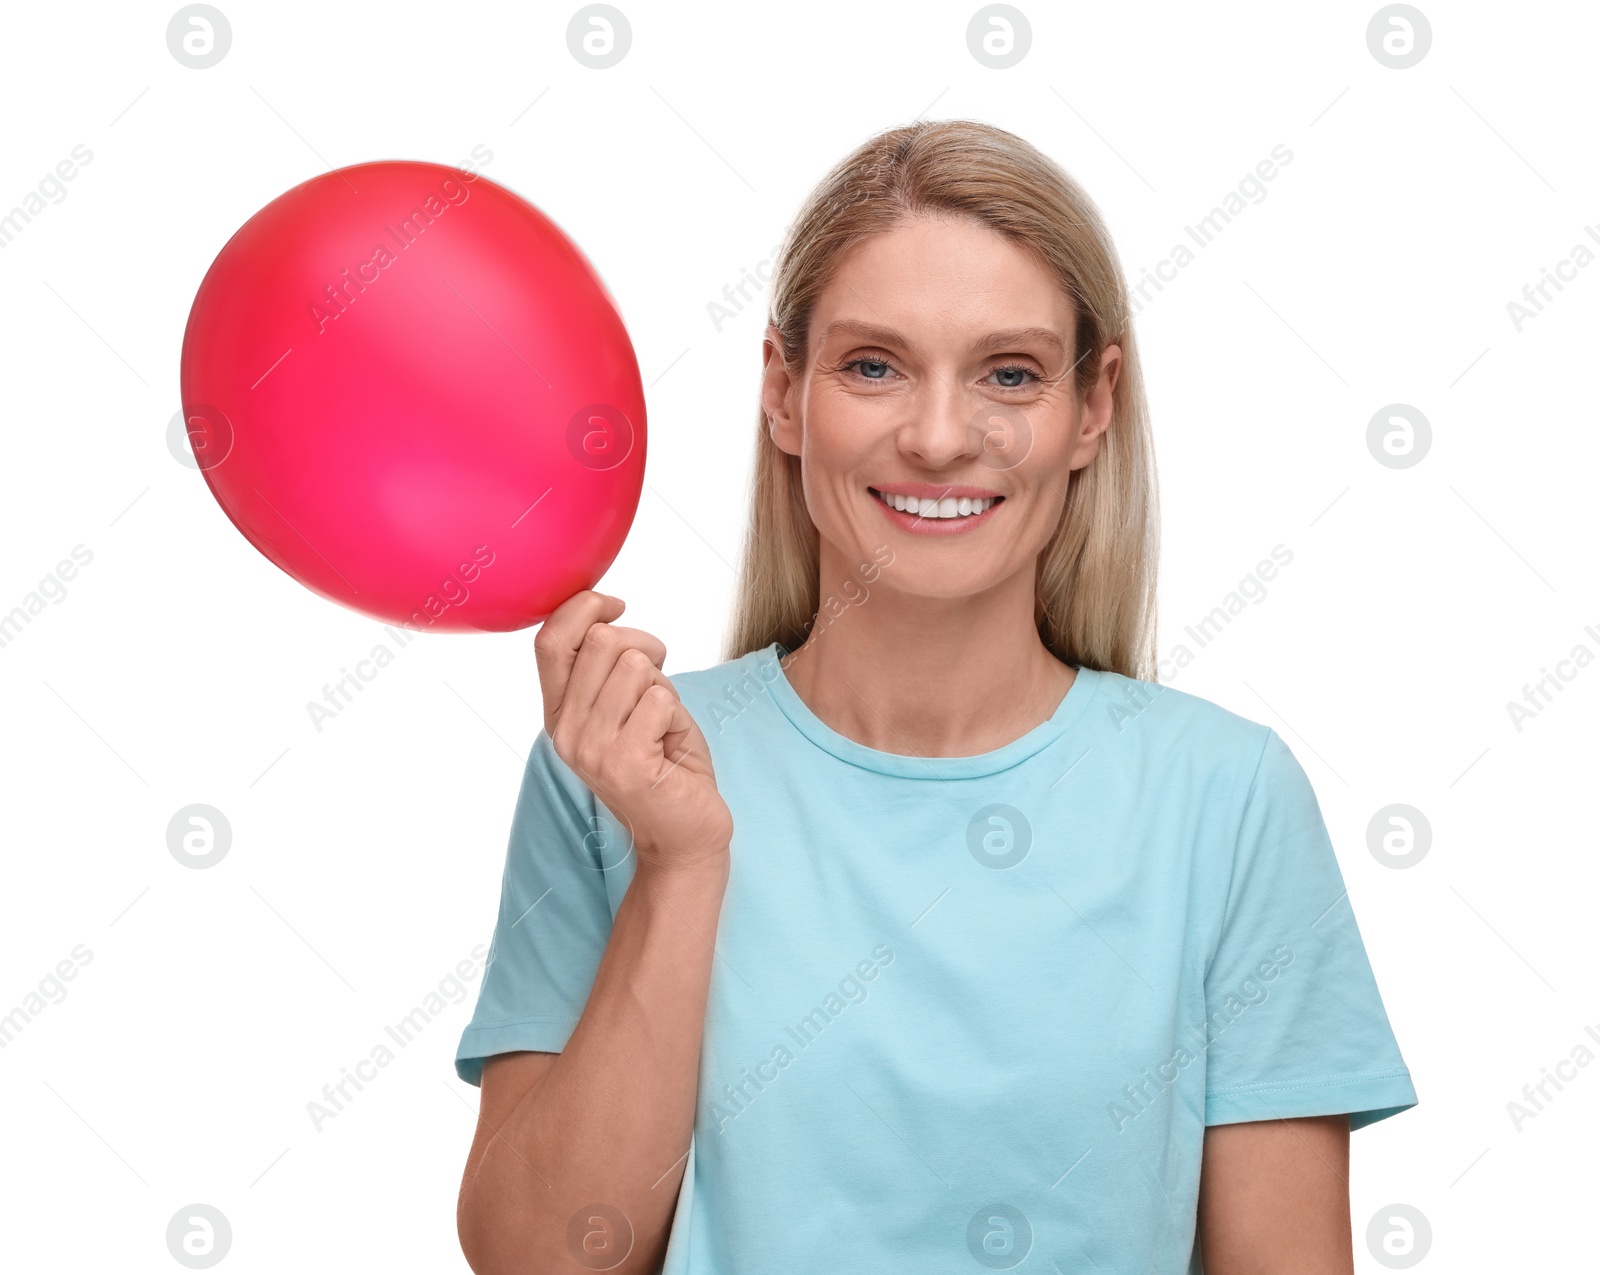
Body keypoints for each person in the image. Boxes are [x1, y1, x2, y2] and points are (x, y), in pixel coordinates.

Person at [452, 119, 1417, 1275]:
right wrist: (680, 865)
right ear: (781, 391)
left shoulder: (1226, 800)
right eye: (873, 366)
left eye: (1008, 374)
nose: (940, 436)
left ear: (1091, 406)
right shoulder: (619, 767)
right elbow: (539, 1260)